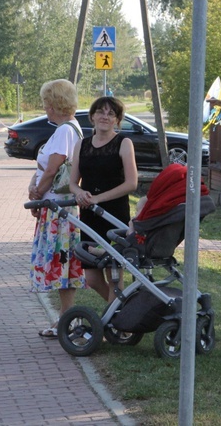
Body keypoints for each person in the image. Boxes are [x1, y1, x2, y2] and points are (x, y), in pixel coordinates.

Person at [28, 79, 85, 338]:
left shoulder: (64, 131)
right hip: (58, 207)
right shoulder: (68, 128)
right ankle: (65, 317)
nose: (45, 108)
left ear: (56, 103)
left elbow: (53, 169)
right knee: (63, 266)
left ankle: (66, 319)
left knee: (63, 265)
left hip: (58, 208)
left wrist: (37, 194)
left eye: (47, 103)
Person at [69, 96, 138, 302]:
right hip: (90, 215)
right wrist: (79, 193)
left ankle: (115, 323)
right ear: (92, 116)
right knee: (91, 277)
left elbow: (131, 183)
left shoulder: (124, 143)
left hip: (115, 214)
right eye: (100, 112)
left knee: (114, 273)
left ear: (117, 120)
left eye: (111, 113)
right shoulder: (81, 145)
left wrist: (99, 198)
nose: (105, 117)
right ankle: (119, 310)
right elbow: (73, 182)